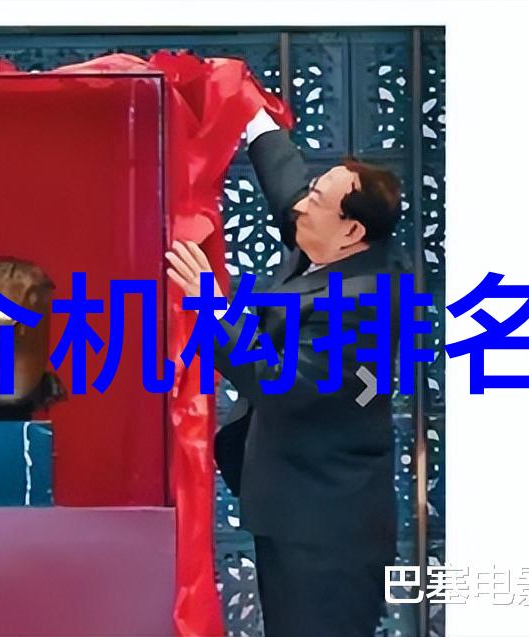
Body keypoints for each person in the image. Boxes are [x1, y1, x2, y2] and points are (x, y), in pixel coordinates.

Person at [166, 108, 404, 637]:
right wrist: (249, 114)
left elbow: (276, 381)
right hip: (292, 505)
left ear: (352, 230)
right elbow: (288, 191)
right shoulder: (332, 247)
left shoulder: (362, 305)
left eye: (316, 200)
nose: (302, 205)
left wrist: (213, 304)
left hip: (327, 534)